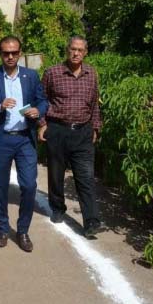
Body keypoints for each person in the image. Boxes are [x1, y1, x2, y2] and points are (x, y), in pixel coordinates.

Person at [0, 36, 48, 252]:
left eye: (14, 52)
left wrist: (38, 110)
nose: (10, 56)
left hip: (25, 139)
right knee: (0, 186)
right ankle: (3, 228)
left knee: (29, 185)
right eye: (6, 53)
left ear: (20, 53)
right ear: (0, 54)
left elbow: (43, 100)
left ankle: (23, 230)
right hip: (2, 138)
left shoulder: (30, 76)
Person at [39, 36, 103, 237]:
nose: (76, 53)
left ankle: (91, 221)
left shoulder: (91, 74)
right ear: (67, 50)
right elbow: (41, 99)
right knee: (56, 174)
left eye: (80, 50)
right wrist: (42, 124)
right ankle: (57, 208)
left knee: (86, 177)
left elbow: (94, 104)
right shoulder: (52, 73)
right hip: (58, 130)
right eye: (73, 49)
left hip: (83, 132)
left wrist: (95, 128)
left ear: (85, 53)